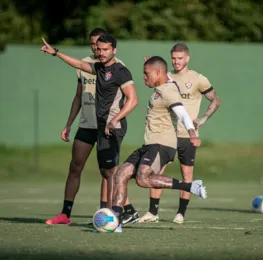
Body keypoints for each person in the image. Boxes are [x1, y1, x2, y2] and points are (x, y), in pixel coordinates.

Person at [41, 33, 140, 224]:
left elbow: (133, 100)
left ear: (114, 50)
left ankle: (113, 216)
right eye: (98, 48)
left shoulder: (120, 70)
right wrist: (56, 53)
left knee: (109, 172)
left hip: (113, 127)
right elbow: (79, 64)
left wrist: (114, 120)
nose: (100, 52)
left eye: (105, 49)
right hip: (98, 124)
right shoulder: (99, 68)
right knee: (101, 170)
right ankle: (68, 214)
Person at [111, 56, 207, 233]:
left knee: (142, 178)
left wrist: (192, 132)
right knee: (120, 174)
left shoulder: (168, 90)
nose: (144, 77)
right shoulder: (163, 86)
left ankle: (191, 186)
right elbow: (167, 77)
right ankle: (115, 221)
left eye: (147, 74)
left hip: (162, 145)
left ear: (157, 72)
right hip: (149, 144)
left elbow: (182, 113)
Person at [139, 43, 220, 224]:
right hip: (167, 136)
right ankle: (153, 212)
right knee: (155, 173)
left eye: (180, 58)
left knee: (187, 175)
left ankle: (180, 214)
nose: (176, 61)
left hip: (187, 136)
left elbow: (216, 98)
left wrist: (203, 118)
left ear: (187, 58)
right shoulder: (166, 78)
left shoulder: (198, 79)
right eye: (174, 58)